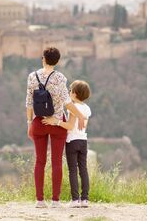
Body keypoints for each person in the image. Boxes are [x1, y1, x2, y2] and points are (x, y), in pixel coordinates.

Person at [25, 47, 87, 208]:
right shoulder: (60, 78)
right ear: (57, 61)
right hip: (57, 122)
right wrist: (79, 115)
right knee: (57, 162)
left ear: (43, 59)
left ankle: (39, 200)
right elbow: (67, 102)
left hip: (39, 122)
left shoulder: (32, 77)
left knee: (40, 161)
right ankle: (55, 201)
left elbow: (29, 103)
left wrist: (29, 123)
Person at [43, 80, 92, 208]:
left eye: (70, 91)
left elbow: (70, 126)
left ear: (74, 94)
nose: (69, 93)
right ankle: (85, 199)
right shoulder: (87, 108)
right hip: (83, 141)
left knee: (72, 170)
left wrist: (56, 122)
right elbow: (83, 125)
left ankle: (75, 200)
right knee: (83, 169)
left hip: (72, 141)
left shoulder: (74, 109)